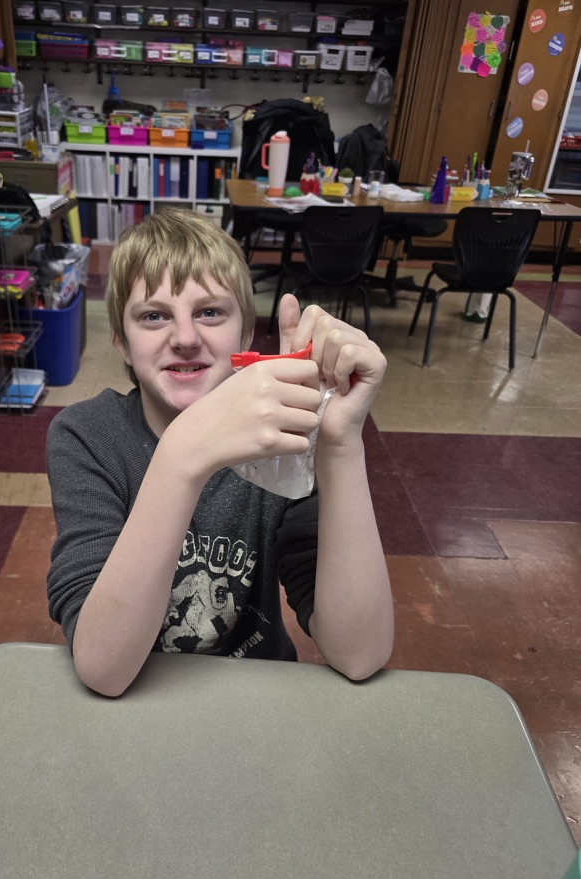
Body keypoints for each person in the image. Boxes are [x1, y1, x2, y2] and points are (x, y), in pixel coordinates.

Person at [46, 208, 393, 696]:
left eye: (210, 312)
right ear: (122, 342)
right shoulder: (86, 436)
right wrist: (184, 454)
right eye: (153, 316)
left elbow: (360, 654)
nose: (185, 338)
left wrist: (339, 444)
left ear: (246, 334)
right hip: (136, 701)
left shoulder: (285, 439)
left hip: (252, 697)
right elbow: (104, 668)